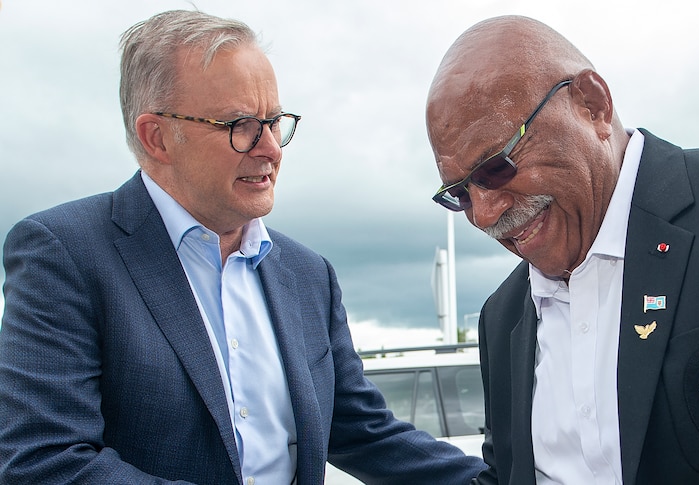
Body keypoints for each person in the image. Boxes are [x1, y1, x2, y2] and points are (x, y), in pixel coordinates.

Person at [0, 10, 486, 485]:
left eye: (275, 122)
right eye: (241, 125)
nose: (271, 147)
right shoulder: (64, 253)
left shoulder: (309, 274)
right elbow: (44, 460)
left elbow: (365, 433)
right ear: (157, 137)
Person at [425, 15, 699, 485]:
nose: (485, 215)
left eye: (496, 167)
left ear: (592, 105)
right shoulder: (502, 316)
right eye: (461, 194)